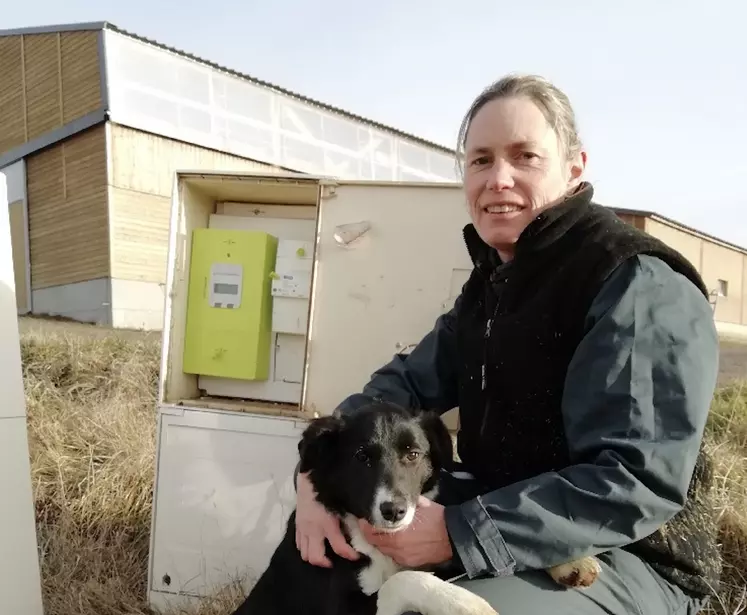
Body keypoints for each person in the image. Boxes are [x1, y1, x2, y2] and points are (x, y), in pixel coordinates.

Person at [294, 73, 722, 615]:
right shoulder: (491, 289)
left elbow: (634, 480)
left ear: (574, 169)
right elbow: (398, 389)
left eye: (525, 157)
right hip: (502, 526)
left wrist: (458, 532)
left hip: (626, 556)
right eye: (480, 160)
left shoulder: (634, 283)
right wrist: (314, 476)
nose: (499, 179)